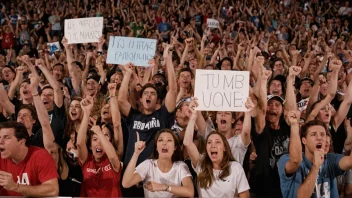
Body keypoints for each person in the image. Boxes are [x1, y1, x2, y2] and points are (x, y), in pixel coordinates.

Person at [183, 99, 250, 198]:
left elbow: (246, 132)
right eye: (209, 142)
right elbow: (187, 142)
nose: (213, 145)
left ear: (225, 148)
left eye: (227, 113)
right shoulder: (201, 164)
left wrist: (248, 112)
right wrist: (193, 116)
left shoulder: (235, 167)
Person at [278, 119, 352, 198]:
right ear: (304, 140)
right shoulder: (286, 159)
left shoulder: (330, 159)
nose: (319, 138)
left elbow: (350, 161)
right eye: (313, 134)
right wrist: (316, 167)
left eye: (322, 134)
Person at [122, 129, 194, 197]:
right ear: (156, 147)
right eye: (160, 140)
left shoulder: (180, 166)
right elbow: (126, 183)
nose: (164, 143)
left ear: (175, 147)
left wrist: (164, 187)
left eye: (169, 140)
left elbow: (190, 192)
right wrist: (136, 153)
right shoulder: (148, 165)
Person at [76, 96, 122, 197]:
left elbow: (113, 157)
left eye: (105, 137)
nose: (99, 142)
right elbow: (79, 143)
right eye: (95, 139)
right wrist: (87, 113)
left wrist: (99, 133)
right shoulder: (86, 160)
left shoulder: (113, 160)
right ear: (90, 145)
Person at [0, 121, 58, 197]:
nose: (1, 142)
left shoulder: (40, 156)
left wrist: (16, 187)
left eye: (7, 137)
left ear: (22, 141)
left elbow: (53, 190)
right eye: (0, 137)